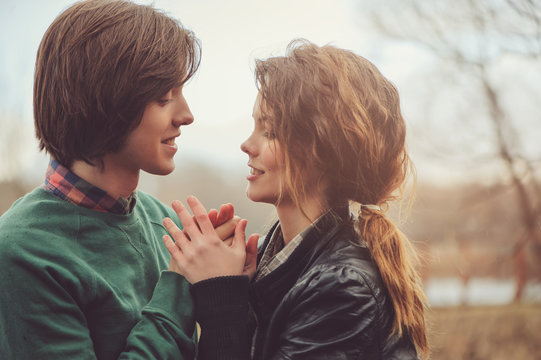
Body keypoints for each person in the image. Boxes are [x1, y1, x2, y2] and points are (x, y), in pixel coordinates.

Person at [0, 0, 238, 358]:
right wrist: (179, 285)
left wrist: (226, 289)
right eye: (163, 98)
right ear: (106, 100)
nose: (186, 115)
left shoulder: (166, 225)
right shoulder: (23, 253)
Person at [163, 39, 429, 359]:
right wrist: (238, 291)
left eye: (270, 131)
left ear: (323, 150)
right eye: (253, 126)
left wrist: (221, 301)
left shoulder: (341, 288)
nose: (247, 144)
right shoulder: (277, 264)